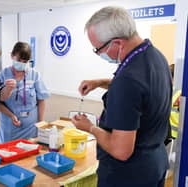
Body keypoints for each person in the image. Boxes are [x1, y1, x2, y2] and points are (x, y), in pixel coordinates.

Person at [71, 6, 172, 187]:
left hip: (128, 176)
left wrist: (90, 128)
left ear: (117, 43)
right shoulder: (155, 57)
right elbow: (142, 90)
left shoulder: (128, 80)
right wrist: (100, 82)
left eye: (98, 49)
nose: (99, 54)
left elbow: (121, 150)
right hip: (154, 165)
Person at [0, 42, 50, 143]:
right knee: (9, 153)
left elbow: (41, 100)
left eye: (25, 61)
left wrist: (41, 122)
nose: (21, 63)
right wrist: (11, 115)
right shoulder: (3, 75)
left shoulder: (34, 75)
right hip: (10, 126)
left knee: (30, 153)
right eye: (19, 60)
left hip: (31, 127)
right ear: (12, 56)